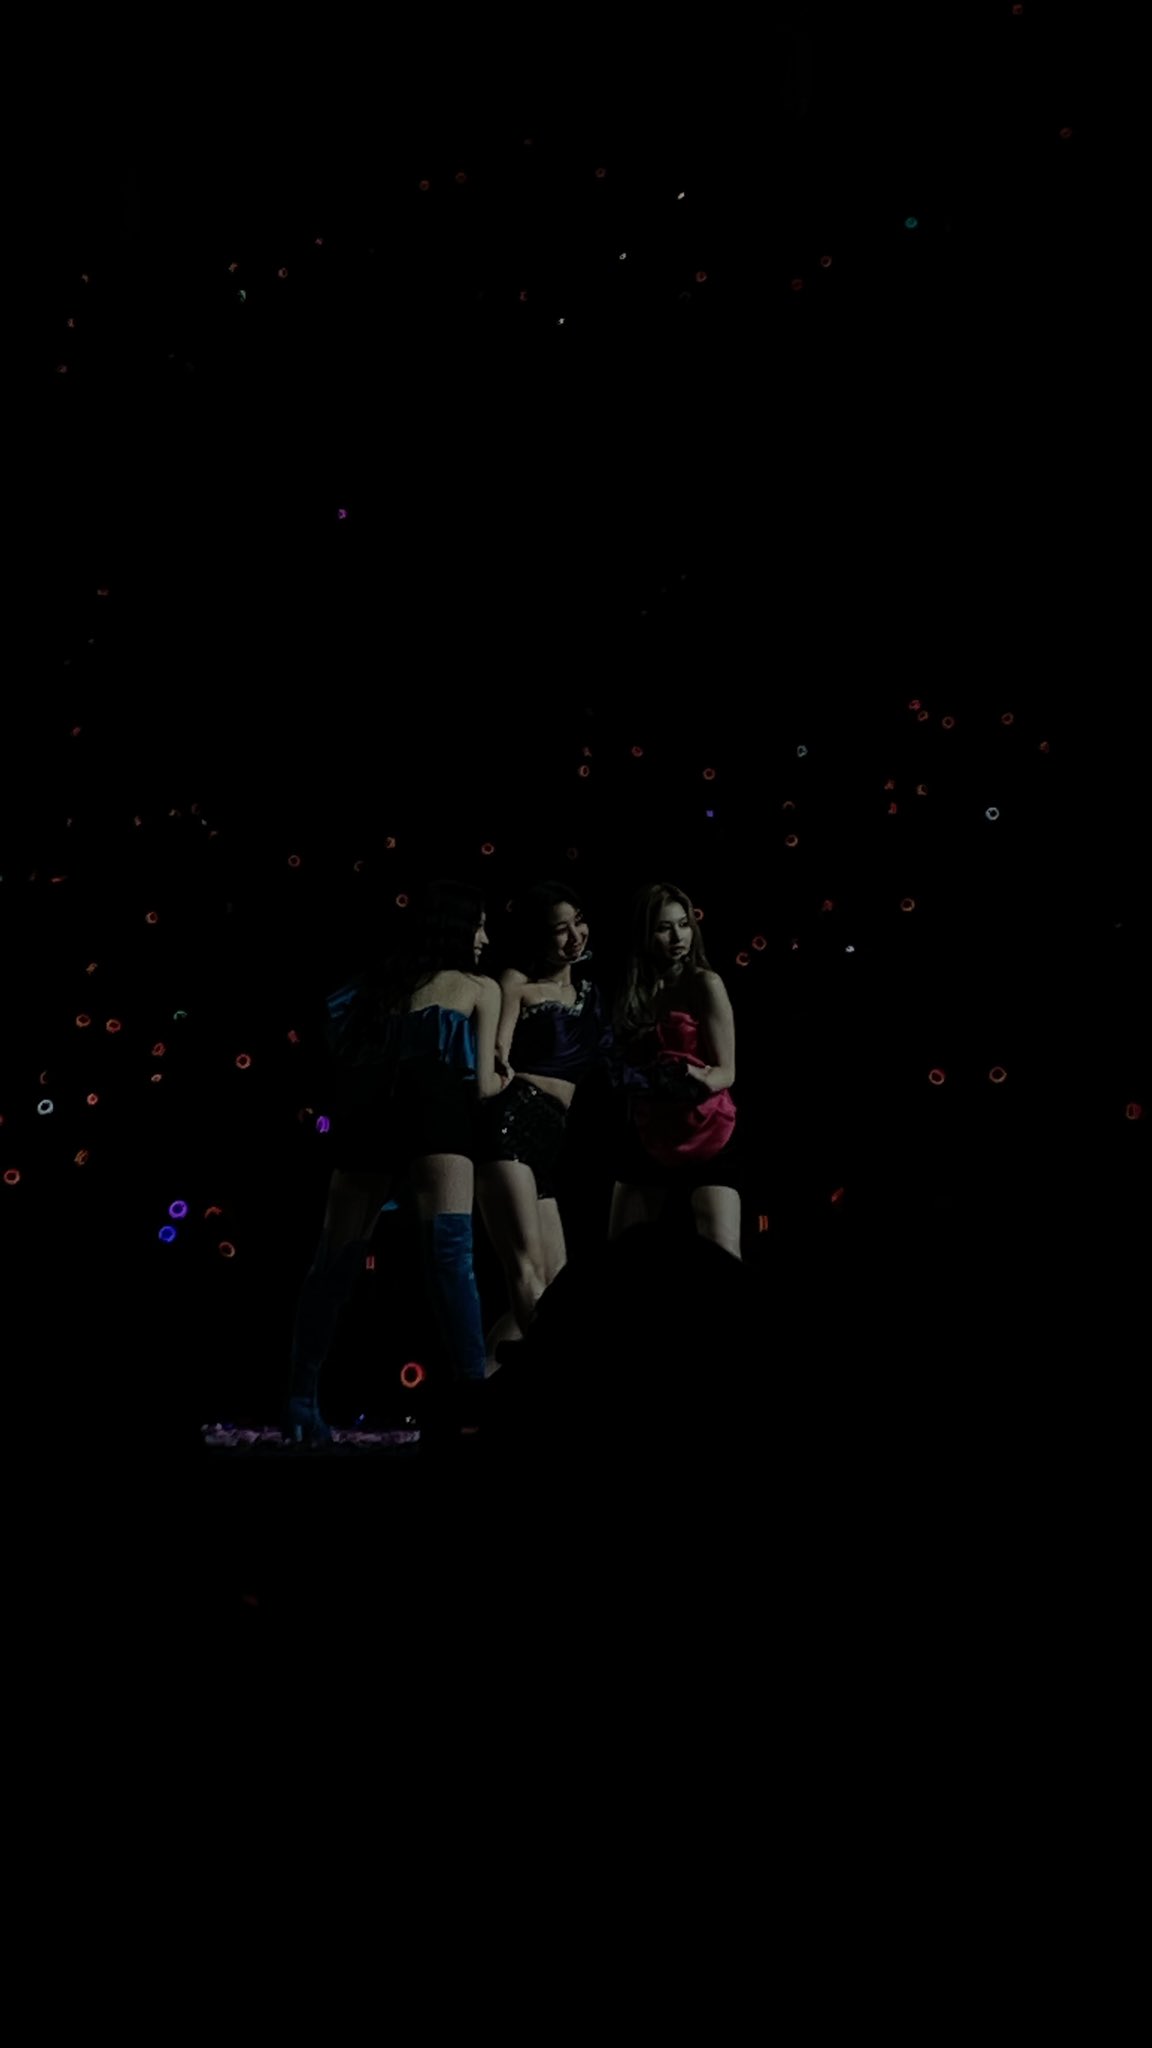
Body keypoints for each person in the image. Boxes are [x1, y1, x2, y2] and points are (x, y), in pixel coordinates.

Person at [284, 879, 504, 1444]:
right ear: (457, 927)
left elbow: (339, 1048)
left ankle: (301, 1400)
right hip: (437, 1116)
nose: (485, 937)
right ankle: (472, 1406)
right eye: (479, 924)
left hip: (371, 1116)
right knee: (451, 1260)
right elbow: (483, 1087)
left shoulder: (381, 984)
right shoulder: (479, 986)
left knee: (333, 1263)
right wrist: (504, 1074)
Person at [474, 882, 611, 1365]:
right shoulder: (516, 981)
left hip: (551, 1135)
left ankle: (482, 1378)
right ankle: (551, 1384)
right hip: (511, 1123)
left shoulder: (591, 994)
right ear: (539, 936)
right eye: (560, 929)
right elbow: (496, 1053)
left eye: (579, 922)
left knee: (556, 1286)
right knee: (526, 1272)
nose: (575, 936)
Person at [609, 882, 742, 1259]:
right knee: (621, 1254)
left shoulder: (705, 983)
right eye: (664, 928)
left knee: (722, 1253)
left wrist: (695, 1077)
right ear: (644, 934)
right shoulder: (633, 990)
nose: (677, 937)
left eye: (684, 925)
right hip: (650, 1130)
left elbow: (727, 1071)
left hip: (706, 1129)